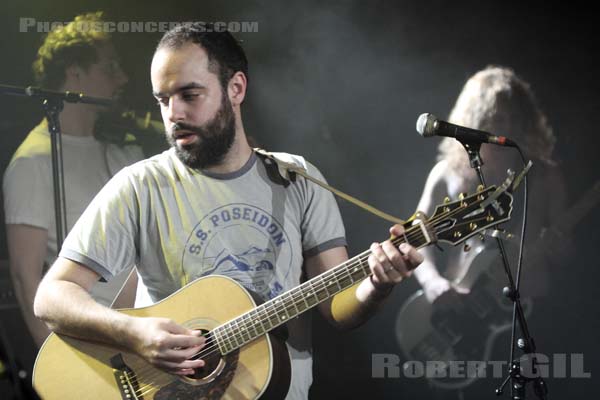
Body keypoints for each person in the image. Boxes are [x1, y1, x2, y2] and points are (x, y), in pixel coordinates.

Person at [32, 23, 423, 399]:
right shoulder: (139, 186)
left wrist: (378, 284)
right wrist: (134, 335)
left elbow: (337, 307)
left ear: (235, 88)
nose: (174, 114)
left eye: (190, 94)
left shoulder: (298, 179)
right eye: (163, 100)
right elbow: (52, 297)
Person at [3, 12, 144, 348]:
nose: (122, 77)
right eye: (110, 67)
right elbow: (26, 279)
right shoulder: (33, 161)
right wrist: (62, 380)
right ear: (74, 71)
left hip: (157, 325)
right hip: (102, 346)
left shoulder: (126, 153)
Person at [414, 65, 568, 303]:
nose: (506, 127)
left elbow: (566, 253)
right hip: (463, 306)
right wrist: (432, 282)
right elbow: (414, 238)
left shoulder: (544, 176)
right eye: (496, 119)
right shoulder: (447, 173)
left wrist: (559, 248)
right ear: (476, 120)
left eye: (514, 118)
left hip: (526, 305)